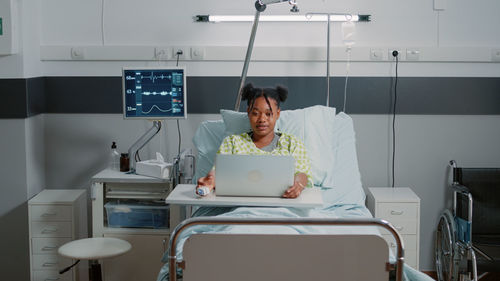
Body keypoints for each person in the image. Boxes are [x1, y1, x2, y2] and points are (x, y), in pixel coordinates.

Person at [196, 83, 313, 198]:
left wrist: (298, 185)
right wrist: (209, 181)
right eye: (256, 113)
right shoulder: (232, 142)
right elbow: (217, 171)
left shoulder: (292, 144)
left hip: (282, 206)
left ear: (277, 114)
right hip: (239, 208)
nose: (262, 119)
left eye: (268, 114)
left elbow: (302, 173)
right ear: (248, 112)